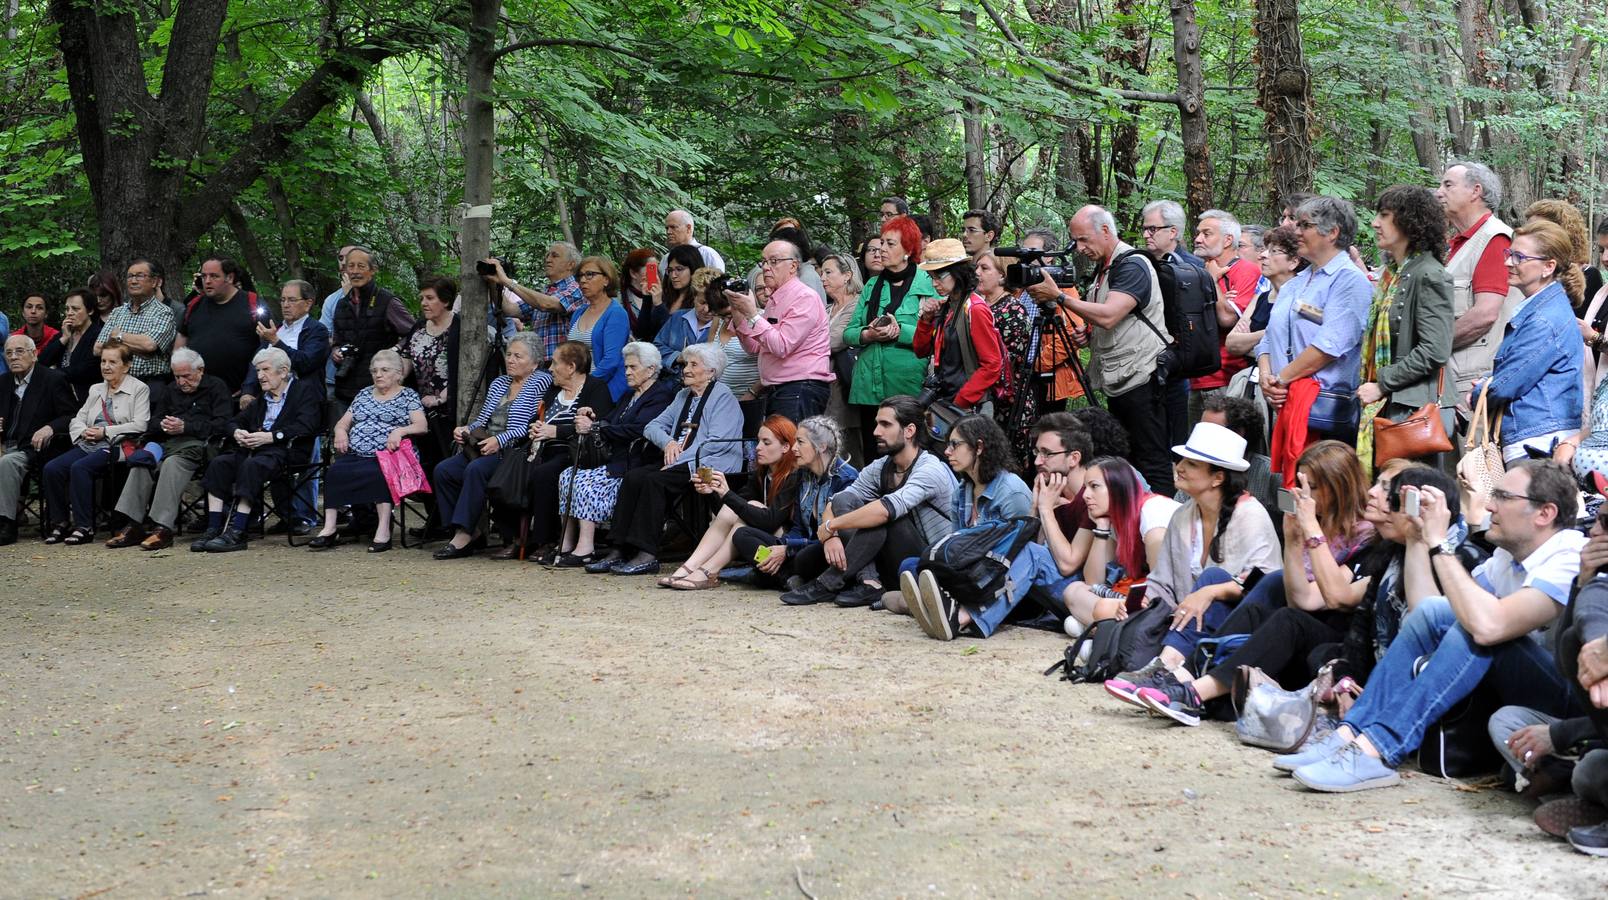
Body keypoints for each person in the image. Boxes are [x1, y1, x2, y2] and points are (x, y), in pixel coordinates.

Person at [1282, 461, 1587, 792]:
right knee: (1440, 613)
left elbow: (1487, 627)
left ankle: (1379, 748)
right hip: (1515, 689)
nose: (1488, 505)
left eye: (1502, 496)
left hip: (1576, 707)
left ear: (1544, 513)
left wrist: (1440, 544)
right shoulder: (1506, 557)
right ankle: (1351, 734)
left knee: (1475, 629)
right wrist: (1420, 540)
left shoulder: (1570, 555)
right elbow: (1425, 614)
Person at [1101, 421, 1281, 697]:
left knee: (1212, 578)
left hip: (1239, 623)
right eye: (1182, 460)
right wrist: (1145, 600)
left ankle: (1168, 666)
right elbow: (1163, 580)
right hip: (1185, 621)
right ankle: (1166, 668)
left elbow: (1265, 583)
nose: (1180, 467)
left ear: (1217, 477)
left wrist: (1209, 592)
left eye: (1192, 464)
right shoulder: (1183, 515)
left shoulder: (1251, 516)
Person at [778, 396, 957, 608]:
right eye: (877, 424)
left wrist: (831, 526)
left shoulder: (929, 469)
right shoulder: (882, 466)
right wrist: (831, 536)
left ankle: (829, 583)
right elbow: (836, 502)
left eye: (886, 425)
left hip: (929, 564)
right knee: (842, 507)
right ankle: (869, 581)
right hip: (888, 560)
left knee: (883, 516)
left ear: (909, 431)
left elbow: (884, 511)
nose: (876, 432)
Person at [583, 342, 744, 576]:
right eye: (686, 364)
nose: (686, 369)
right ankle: (619, 548)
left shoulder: (723, 397)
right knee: (634, 477)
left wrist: (679, 459)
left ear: (711, 371)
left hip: (711, 463)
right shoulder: (682, 395)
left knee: (654, 481)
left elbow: (715, 442)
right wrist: (668, 443)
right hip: (681, 460)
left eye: (693, 364)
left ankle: (647, 554)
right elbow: (652, 426)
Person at [1060, 205, 1172, 493]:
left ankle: (1160, 525)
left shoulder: (1132, 264)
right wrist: (1090, 334)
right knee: (1128, 457)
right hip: (1120, 378)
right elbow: (1109, 322)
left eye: (1084, 239)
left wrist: (1059, 297)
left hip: (1142, 376)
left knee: (1152, 458)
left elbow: (1110, 314)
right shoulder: (1105, 269)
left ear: (1106, 231)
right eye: (1076, 242)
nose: (1080, 248)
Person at [1257, 196, 1373, 472]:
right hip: (1285, 402)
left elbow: (1329, 346)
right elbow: (1268, 338)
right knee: (1291, 494)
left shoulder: (1349, 281)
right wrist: (1266, 377)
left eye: (1304, 225)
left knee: (1319, 494)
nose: (1295, 231)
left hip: (1322, 413)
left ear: (1332, 232)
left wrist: (1280, 379)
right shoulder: (1295, 283)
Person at [898, 415, 1036, 640]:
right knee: (911, 566)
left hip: (1001, 578)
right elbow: (957, 542)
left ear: (979, 447)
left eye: (955, 444)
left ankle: (942, 609)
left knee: (920, 575)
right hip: (971, 570)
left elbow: (1023, 552)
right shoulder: (962, 491)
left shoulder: (1012, 491)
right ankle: (938, 606)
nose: (947, 451)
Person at [1353, 185, 1455, 476]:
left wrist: (1383, 383)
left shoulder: (1429, 274)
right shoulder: (1393, 274)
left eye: (1384, 215)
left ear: (1411, 222)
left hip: (1413, 411)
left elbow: (1435, 350)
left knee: (1411, 504)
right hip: (1392, 405)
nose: (1375, 223)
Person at [552, 342, 677, 566]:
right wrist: (594, 417)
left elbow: (639, 429)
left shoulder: (660, 396)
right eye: (626, 367)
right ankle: (566, 543)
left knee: (586, 483)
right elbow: (612, 419)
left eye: (632, 367)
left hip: (636, 461)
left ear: (650, 370)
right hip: (616, 459)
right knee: (567, 475)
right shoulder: (630, 395)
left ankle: (586, 548)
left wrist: (597, 428)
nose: (627, 372)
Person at [431, 332, 551, 559]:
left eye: (518, 356)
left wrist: (500, 440)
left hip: (513, 451)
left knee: (475, 470)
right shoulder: (500, 382)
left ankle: (463, 536)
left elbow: (531, 426)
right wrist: (466, 429)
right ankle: (470, 531)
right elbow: (483, 419)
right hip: (484, 445)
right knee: (444, 471)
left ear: (535, 363)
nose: (511, 360)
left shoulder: (541, 381)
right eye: (509, 354)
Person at [189, 347, 321, 553]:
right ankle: (214, 527)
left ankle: (238, 531)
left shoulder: (304, 391)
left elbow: (307, 426)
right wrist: (237, 433)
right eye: (258, 371)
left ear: (284, 371)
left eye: (265, 369)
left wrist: (270, 436)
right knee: (219, 463)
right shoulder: (263, 398)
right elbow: (233, 422)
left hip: (288, 450)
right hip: (257, 450)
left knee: (253, 465)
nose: (260, 376)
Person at [1473, 221, 1585, 463]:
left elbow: (1507, 384)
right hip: (1536, 438)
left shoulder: (1544, 320)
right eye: (1509, 254)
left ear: (1548, 267)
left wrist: (1478, 391)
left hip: (1537, 445)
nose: (1508, 262)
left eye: (1518, 257)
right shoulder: (1543, 309)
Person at [106, 348, 232, 551]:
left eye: (186, 376)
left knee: (171, 464)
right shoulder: (171, 389)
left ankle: (163, 528)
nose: (182, 382)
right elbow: (153, 422)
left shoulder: (216, 387)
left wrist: (186, 427)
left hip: (198, 446)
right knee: (142, 463)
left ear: (200, 370)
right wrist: (165, 426)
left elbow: (223, 425)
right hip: (168, 444)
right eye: (177, 376)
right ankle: (134, 524)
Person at [658, 415, 801, 590]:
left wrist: (727, 494)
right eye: (758, 441)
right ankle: (690, 566)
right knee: (739, 511)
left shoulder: (794, 476)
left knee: (750, 510)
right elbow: (728, 512)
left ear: (786, 446)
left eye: (766, 442)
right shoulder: (762, 474)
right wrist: (713, 493)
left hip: (784, 549)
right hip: (758, 547)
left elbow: (769, 521)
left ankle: (709, 571)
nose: (758, 448)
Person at [305, 349, 427, 552]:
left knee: (379, 473)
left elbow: (421, 426)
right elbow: (342, 423)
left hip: (390, 455)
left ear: (398, 373)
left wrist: (400, 431)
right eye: (375, 370)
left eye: (385, 370)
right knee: (335, 471)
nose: (378, 374)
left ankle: (383, 531)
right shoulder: (363, 394)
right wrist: (341, 432)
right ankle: (329, 528)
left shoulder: (408, 395)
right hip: (357, 454)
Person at [1047, 458, 1182, 636]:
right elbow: (1094, 582)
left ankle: (1102, 628)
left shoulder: (1152, 511)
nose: (1086, 495)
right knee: (1073, 590)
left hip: (1170, 602)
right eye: (1085, 487)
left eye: (1094, 486)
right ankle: (1107, 628)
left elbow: (1164, 585)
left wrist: (1117, 605)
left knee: (1095, 607)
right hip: (1137, 602)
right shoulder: (1117, 518)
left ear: (1119, 489)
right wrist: (1102, 528)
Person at [508, 340, 616, 562]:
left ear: (571, 367)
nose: (550, 368)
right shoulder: (553, 388)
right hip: (542, 449)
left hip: (576, 452)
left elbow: (596, 425)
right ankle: (514, 538)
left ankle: (545, 540)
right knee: (507, 469)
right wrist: (535, 426)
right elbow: (537, 417)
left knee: (545, 473)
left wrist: (555, 432)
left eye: (555, 363)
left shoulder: (596, 388)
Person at [843, 215, 938, 460]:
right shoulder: (872, 285)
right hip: (868, 385)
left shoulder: (928, 283)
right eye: (880, 244)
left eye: (889, 244)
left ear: (908, 249)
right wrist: (868, 334)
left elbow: (936, 332)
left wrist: (899, 331)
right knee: (875, 454)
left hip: (906, 384)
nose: (881, 250)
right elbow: (849, 332)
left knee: (909, 454)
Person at [39, 340, 150, 544]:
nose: (106, 366)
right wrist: (84, 432)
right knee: (52, 468)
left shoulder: (139, 388)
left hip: (117, 445)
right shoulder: (96, 389)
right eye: (103, 361)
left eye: (112, 362)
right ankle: (61, 523)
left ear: (126, 365)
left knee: (80, 468)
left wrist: (105, 432)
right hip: (88, 443)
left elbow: (141, 425)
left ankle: (84, 527)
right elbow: (77, 418)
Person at [730, 415, 860, 589]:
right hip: (800, 547)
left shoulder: (845, 479)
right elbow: (799, 528)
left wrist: (788, 549)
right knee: (742, 535)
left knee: (803, 557)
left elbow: (844, 537)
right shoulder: (803, 475)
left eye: (800, 442)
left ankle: (776, 577)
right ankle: (783, 577)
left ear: (821, 446)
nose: (794, 448)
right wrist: (782, 546)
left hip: (827, 550)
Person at [1437, 161, 1523, 405]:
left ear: (1476, 191)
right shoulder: (1458, 242)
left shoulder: (1495, 239)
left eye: (1448, 185)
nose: (1439, 192)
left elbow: (1485, 313)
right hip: (1453, 378)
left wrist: (1428, 348)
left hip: (1473, 384)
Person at [726, 240, 834, 424]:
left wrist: (752, 314)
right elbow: (755, 348)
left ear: (793, 266)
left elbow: (782, 346)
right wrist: (738, 313)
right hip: (778, 389)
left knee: (793, 450)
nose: (766, 268)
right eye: (764, 262)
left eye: (774, 261)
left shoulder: (804, 297)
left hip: (800, 388)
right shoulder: (775, 300)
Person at [912, 239, 1005, 417]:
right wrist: (926, 319)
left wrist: (961, 401)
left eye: (939, 276)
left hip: (968, 406)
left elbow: (992, 364)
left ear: (957, 272)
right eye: (931, 277)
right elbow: (920, 351)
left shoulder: (975, 308)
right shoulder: (947, 306)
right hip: (948, 400)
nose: (934, 283)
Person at [0, 335, 77, 545]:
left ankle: (6, 523)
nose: (13, 357)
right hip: (4, 443)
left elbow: (71, 415)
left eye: (19, 351)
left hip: (34, 448)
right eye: (9, 353)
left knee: (7, 462)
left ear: (33, 354)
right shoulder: (3, 382)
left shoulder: (52, 379)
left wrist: (49, 427)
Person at [1190, 210, 1262, 425]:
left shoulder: (1245, 270)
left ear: (1228, 239)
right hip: (1196, 377)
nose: (1198, 239)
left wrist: (1212, 281)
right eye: (1198, 233)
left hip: (1226, 377)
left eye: (1206, 233)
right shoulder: (1198, 271)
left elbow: (1226, 319)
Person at [974, 250, 1036, 466]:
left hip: (1009, 400)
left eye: (984, 268)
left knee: (1008, 463)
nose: (977, 273)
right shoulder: (979, 307)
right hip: (982, 396)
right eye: (977, 268)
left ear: (1002, 276)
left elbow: (1006, 361)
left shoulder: (1013, 310)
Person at [394, 277, 459, 481]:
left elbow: (466, 371)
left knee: (445, 466)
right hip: (420, 410)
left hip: (450, 412)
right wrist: (395, 380)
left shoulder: (460, 327)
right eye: (422, 298)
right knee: (426, 467)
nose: (423, 303)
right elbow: (406, 358)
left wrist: (441, 398)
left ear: (446, 301)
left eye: (430, 298)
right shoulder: (420, 326)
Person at [328, 248, 411, 405]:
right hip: (346, 389)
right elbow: (337, 340)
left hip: (379, 390)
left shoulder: (386, 301)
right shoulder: (342, 304)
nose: (355, 271)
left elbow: (414, 333)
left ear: (373, 270)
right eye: (351, 266)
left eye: (361, 266)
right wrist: (336, 352)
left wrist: (394, 351)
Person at [176, 256, 265, 394]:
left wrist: (250, 386)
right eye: (204, 276)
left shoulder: (252, 303)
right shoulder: (194, 305)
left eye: (214, 276)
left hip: (239, 394)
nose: (207, 281)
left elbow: (267, 347)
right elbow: (181, 340)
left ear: (229, 277)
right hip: (197, 394)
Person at [489, 242, 586, 362]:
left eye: (554, 256)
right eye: (547, 256)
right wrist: (493, 282)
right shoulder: (545, 292)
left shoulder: (577, 288)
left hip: (563, 365)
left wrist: (507, 281)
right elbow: (510, 309)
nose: (548, 259)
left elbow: (546, 305)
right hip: (538, 367)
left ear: (570, 265)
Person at [241, 279, 331, 403]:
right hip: (269, 400)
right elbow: (256, 362)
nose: (286, 305)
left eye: (292, 300)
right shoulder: (276, 330)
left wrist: (276, 342)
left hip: (303, 401)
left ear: (308, 303)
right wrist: (248, 391)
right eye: (283, 300)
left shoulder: (317, 330)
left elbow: (305, 363)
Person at [1225, 225, 1305, 363]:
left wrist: (1250, 339)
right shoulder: (1261, 297)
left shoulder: (1302, 300)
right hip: (1254, 378)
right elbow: (1232, 344)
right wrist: (1270, 333)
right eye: (1266, 249)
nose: (1262, 255)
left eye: (1273, 251)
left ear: (1293, 262)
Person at [819, 251, 866, 466]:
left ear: (847, 275)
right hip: (824, 386)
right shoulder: (827, 309)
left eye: (828, 272)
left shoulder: (857, 305)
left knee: (848, 449)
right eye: (822, 273)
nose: (822, 278)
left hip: (846, 386)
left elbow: (833, 341)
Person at [96, 259, 176, 382]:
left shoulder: (164, 312)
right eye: (130, 276)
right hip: (117, 382)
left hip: (150, 384)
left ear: (154, 282)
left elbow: (149, 345)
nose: (133, 281)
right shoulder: (117, 312)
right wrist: (141, 349)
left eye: (140, 276)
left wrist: (118, 336)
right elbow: (97, 348)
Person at [568, 256, 631, 400]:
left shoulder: (616, 313)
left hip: (604, 390)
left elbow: (611, 361)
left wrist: (584, 385)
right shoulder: (578, 312)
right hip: (576, 388)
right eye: (580, 276)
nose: (583, 280)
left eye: (590, 274)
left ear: (606, 280)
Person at [651, 251, 716, 371]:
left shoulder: (723, 325)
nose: (706, 309)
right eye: (702, 303)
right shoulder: (678, 317)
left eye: (713, 304)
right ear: (694, 297)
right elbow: (657, 346)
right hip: (672, 382)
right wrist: (678, 357)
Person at [37, 289, 104, 402]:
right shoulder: (63, 334)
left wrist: (51, 374)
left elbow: (86, 369)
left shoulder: (99, 334)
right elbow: (42, 361)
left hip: (85, 398)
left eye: (75, 309)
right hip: (58, 396)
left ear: (90, 311)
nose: (69, 313)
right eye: (67, 309)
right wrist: (64, 339)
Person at [1140, 199, 1206, 269]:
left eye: (1152, 229)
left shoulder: (1194, 267)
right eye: (1144, 229)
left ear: (1172, 232)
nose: (1145, 235)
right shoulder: (1138, 263)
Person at [661, 209, 726, 272]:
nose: (668, 232)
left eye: (673, 227)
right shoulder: (666, 259)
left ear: (688, 228)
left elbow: (719, 282)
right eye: (667, 228)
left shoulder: (707, 254)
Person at [619, 248, 659, 339]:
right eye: (651, 269)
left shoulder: (661, 296)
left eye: (656, 269)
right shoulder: (619, 299)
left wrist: (659, 304)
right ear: (633, 273)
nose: (655, 274)